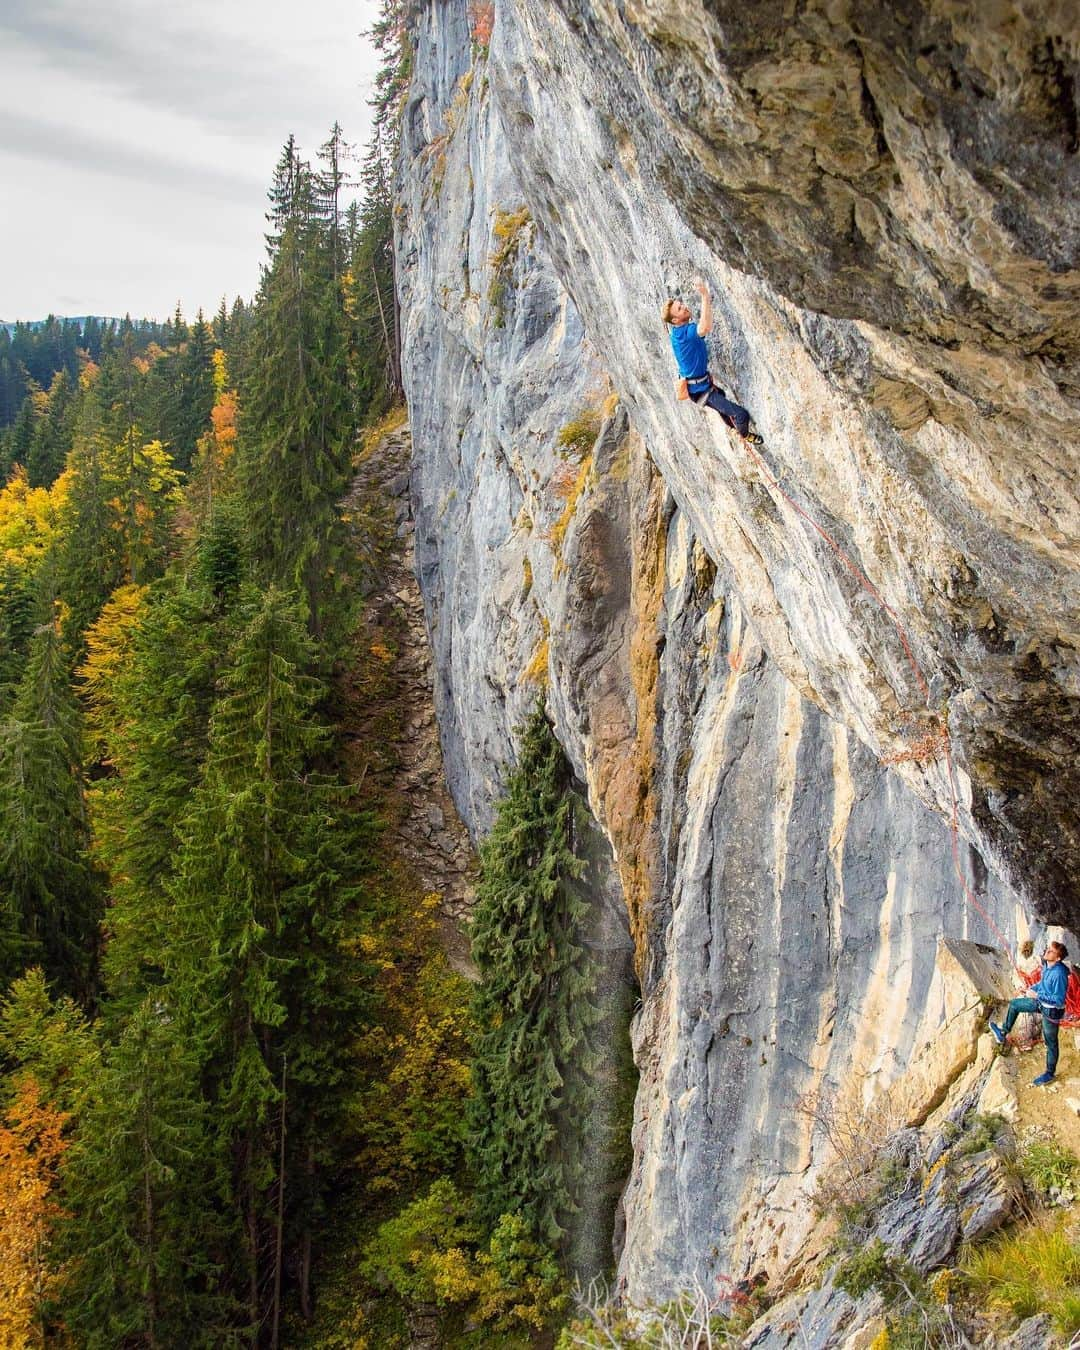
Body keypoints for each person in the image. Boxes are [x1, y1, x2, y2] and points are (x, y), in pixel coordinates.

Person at [663, 279, 763, 444]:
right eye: (679, 309)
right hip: (700, 390)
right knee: (741, 414)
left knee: (723, 402)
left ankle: (733, 428)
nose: (684, 307)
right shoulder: (684, 334)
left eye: (681, 304)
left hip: (700, 386)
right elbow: (705, 328)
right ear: (675, 320)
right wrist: (705, 295)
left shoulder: (677, 333)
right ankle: (744, 436)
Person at [990, 940, 1070, 1085]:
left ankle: (1049, 1074)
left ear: (1058, 958)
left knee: (1051, 1042)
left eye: (1051, 951)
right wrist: (1031, 989)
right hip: (1041, 1003)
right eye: (1048, 949)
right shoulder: (1047, 966)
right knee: (1015, 1005)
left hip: (1051, 1012)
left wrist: (1037, 996)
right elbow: (1043, 984)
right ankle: (1003, 1033)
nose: (1047, 951)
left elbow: (1058, 1000)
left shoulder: (1059, 974)